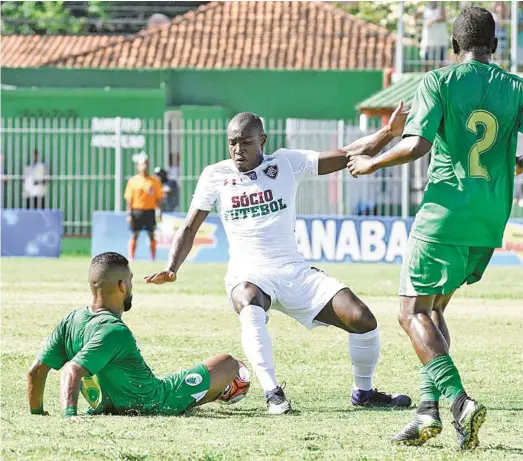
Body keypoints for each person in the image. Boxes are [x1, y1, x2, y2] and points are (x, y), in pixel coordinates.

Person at [145, 107, 412, 415]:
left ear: (263, 140)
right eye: (232, 142)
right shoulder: (215, 175)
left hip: (292, 270)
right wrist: (172, 267)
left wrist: (389, 133)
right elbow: (190, 226)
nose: (237, 150)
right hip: (248, 272)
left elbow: (349, 153)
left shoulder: (286, 163)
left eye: (245, 142)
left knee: (362, 318)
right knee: (249, 300)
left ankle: (364, 393)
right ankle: (273, 392)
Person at [348, 7, 523, 449]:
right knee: (434, 311)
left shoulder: (440, 81)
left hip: (444, 214)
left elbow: (418, 145)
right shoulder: (516, 88)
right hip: (488, 220)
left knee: (409, 313)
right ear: (496, 47)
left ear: (453, 47)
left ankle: (458, 402)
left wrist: (371, 162)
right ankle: (428, 413)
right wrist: (507, 167)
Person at [27, 252, 241, 419]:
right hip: (154, 402)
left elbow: (36, 371)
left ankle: (212, 393)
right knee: (230, 363)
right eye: (130, 280)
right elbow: (71, 371)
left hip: (110, 405)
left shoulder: (71, 319)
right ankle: (219, 392)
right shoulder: (114, 330)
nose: (131, 285)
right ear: (122, 286)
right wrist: (69, 415)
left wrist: (37, 412)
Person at [124, 153, 164, 261]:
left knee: (151, 234)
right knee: (134, 234)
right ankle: (131, 257)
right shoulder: (133, 181)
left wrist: (158, 210)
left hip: (150, 211)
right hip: (136, 211)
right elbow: (129, 200)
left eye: (146, 164)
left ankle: (153, 258)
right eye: (142, 164)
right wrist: (129, 214)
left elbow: (159, 198)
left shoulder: (154, 181)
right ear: (138, 166)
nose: (144, 166)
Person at [419, 2, 449, 70]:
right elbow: (415, 16)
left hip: (440, 37)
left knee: (440, 59)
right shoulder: (424, 7)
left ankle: (441, 75)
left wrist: (433, 20)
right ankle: (426, 74)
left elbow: (444, 18)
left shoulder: (441, 7)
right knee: (426, 57)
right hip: (428, 37)